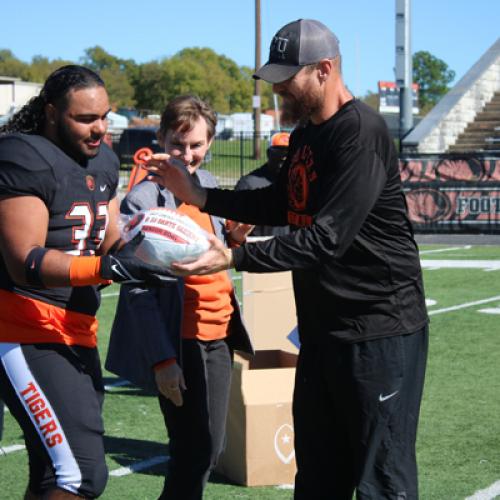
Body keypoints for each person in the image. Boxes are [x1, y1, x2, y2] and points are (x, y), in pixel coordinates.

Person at [145, 19, 429, 500]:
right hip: (323, 331)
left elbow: (326, 240)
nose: (278, 89)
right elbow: (280, 204)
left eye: (287, 77)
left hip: (379, 330)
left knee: (382, 481)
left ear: (324, 70)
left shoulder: (361, 132)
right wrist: (199, 194)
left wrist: (232, 258)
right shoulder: (305, 137)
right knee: (318, 475)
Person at [0, 65, 171, 499]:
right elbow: (27, 261)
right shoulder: (24, 156)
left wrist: (150, 249)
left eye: (105, 117)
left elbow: (109, 237)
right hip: (26, 329)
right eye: (85, 119)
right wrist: (104, 269)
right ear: (52, 113)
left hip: (77, 328)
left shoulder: (106, 160)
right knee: (80, 476)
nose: (99, 129)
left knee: (50, 471)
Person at [105, 95, 254, 500]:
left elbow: (212, 250)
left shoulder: (207, 187)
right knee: (192, 451)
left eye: (196, 145)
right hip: (180, 339)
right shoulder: (143, 199)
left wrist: (235, 237)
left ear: (210, 143)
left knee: (211, 449)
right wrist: (163, 358)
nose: (187, 155)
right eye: (177, 144)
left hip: (218, 334)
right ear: (160, 138)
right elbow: (137, 287)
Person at [234, 131, 290, 238]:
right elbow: (236, 229)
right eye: (279, 151)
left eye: (289, 152)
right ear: (269, 153)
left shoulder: (297, 183)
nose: (284, 156)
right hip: (258, 249)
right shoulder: (249, 184)